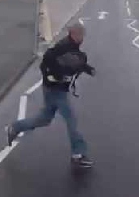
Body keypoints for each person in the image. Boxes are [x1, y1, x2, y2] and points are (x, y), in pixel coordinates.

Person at [6, 22, 96, 168]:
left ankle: (15, 127)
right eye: (81, 35)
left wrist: (89, 69)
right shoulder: (61, 47)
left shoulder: (72, 47)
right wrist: (53, 76)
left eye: (83, 35)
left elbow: (76, 62)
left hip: (54, 89)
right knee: (71, 120)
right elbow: (46, 62)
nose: (83, 38)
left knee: (44, 119)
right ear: (73, 34)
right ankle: (78, 154)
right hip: (56, 90)